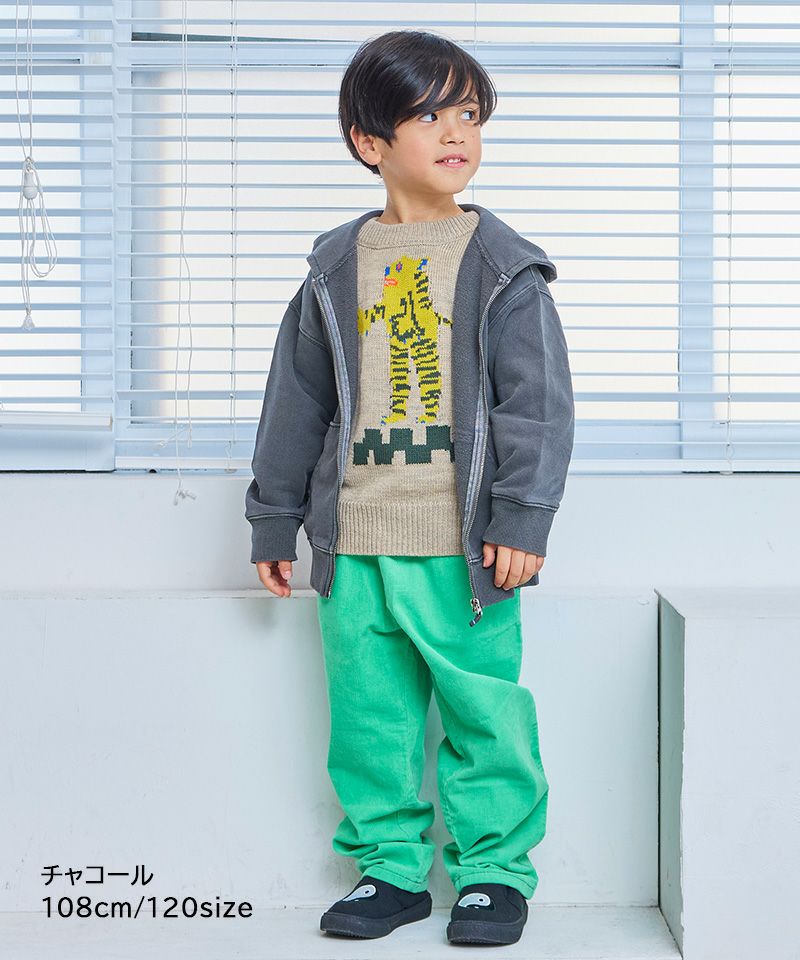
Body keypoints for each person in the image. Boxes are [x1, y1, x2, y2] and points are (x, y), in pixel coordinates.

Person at [244, 29, 575, 947]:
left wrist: (523, 517)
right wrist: (274, 520)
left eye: (468, 112)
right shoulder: (333, 270)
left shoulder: (503, 268)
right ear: (370, 141)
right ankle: (389, 870)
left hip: (463, 549)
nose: (456, 131)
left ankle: (493, 871)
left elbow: (538, 407)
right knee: (370, 721)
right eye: (429, 114)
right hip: (353, 543)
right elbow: (296, 402)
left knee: (484, 712)